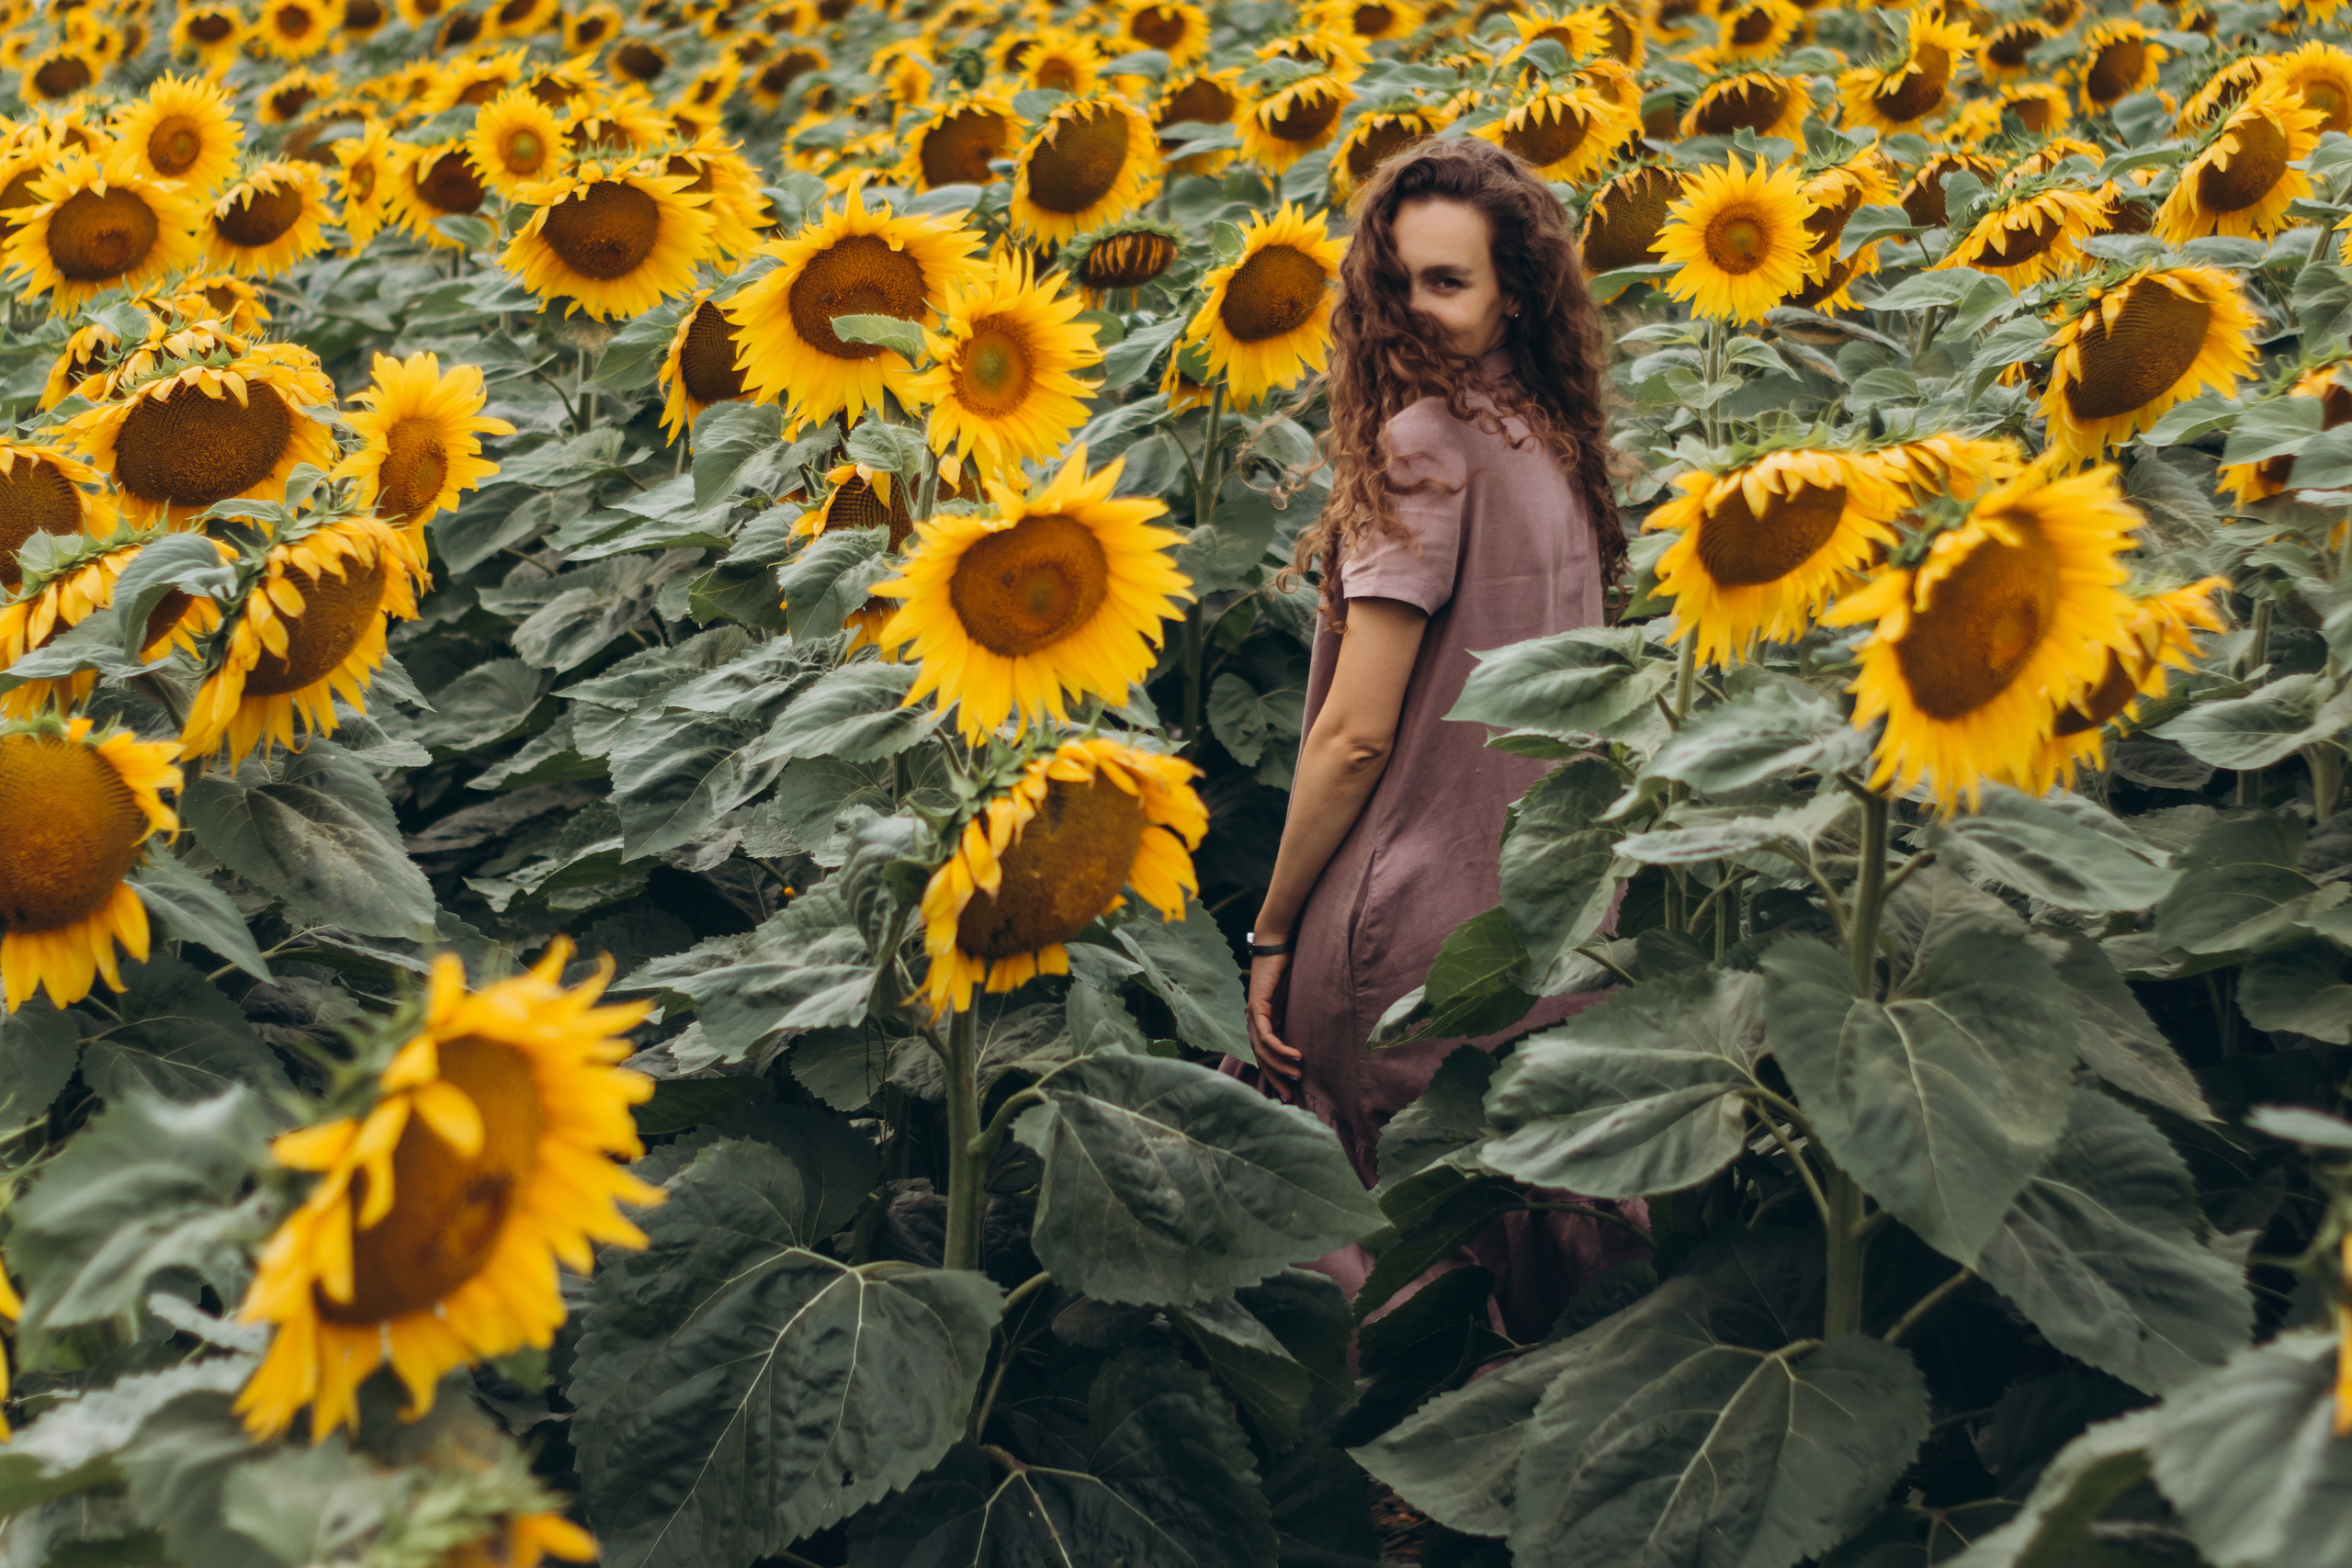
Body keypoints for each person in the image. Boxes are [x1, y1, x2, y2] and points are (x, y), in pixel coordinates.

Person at [1229, 138, 1645, 1342]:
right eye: (1398, 279)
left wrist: (1270, 927)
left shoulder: (1422, 448)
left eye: (1446, 282)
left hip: (1401, 931)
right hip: (1543, 918)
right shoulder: (1550, 442)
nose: (1413, 309)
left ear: (1514, 290)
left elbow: (1356, 735)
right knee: (1528, 1208)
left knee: (1396, 1257)